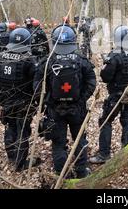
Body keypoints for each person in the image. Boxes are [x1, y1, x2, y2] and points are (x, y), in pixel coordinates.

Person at [34, 25, 96, 178]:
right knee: (80, 140)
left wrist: (48, 102)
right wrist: (81, 100)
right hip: (77, 110)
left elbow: (37, 87)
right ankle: (82, 172)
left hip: (55, 110)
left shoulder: (47, 61)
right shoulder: (81, 59)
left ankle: (61, 175)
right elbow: (91, 82)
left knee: (58, 143)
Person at [89, 26, 128, 164]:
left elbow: (105, 77)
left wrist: (106, 64)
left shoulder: (115, 55)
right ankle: (126, 151)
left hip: (116, 95)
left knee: (105, 121)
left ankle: (104, 154)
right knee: (127, 121)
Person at [0, 28, 41, 171]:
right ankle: (20, 163)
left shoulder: (0, 57)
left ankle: (12, 157)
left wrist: (0, 99)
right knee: (22, 131)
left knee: (10, 127)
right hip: (23, 103)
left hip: (7, 101)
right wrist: (35, 101)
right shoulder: (29, 60)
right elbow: (35, 84)